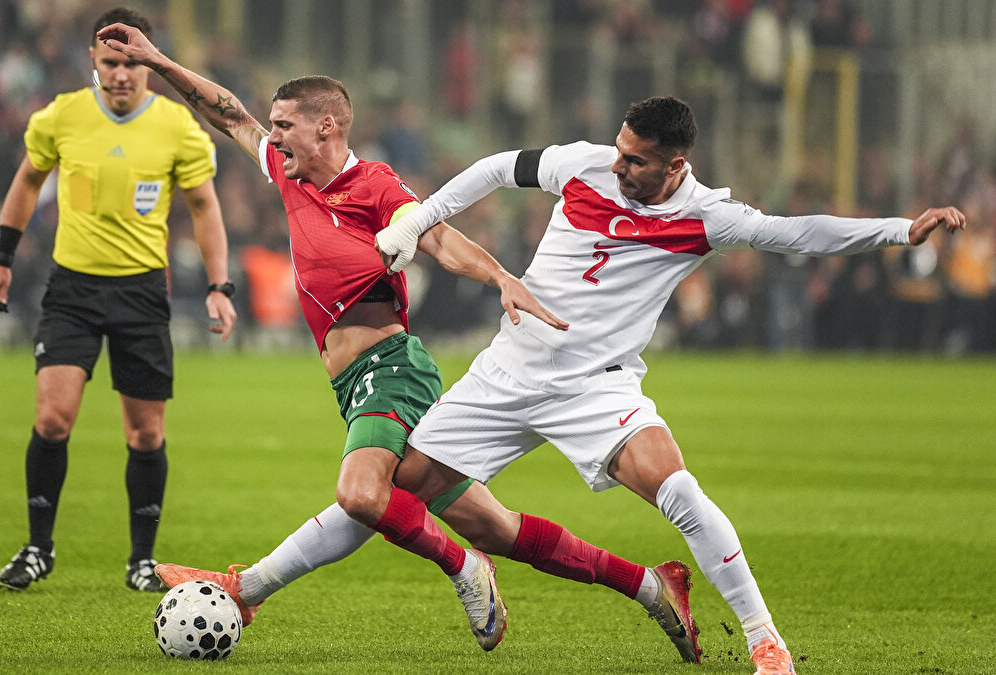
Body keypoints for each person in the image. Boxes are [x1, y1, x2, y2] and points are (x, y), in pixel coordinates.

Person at [97, 24, 705, 659]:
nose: (271, 137)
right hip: (353, 382)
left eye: (284, 126)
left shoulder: (375, 185)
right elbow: (229, 115)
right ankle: (651, 586)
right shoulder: (289, 172)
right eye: (272, 127)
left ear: (326, 127)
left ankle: (457, 569)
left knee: (361, 494)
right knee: (491, 525)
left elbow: (437, 236)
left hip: (390, 370)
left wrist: (501, 277)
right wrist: (159, 61)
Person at [373, 96, 966, 674]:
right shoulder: (584, 164)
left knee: (679, 491)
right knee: (393, 489)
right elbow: (497, 167)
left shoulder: (705, 216)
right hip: (507, 370)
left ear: (675, 165)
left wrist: (900, 230)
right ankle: (481, 570)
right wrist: (419, 218)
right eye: (619, 149)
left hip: (595, 388)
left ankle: (766, 643)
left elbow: (798, 233)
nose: (617, 166)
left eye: (635, 160)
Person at [0, 7, 238, 593]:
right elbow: (27, 181)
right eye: (109, 64)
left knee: (145, 435)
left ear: (148, 62)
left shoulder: (177, 127)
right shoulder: (62, 116)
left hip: (141, 293)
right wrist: (1, 257)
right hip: (72, 289)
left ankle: (142, 561)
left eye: (130, 64)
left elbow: (204, 207)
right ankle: (38, 548)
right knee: (52, 418)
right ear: (93, 63)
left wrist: (220, 286)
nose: (120, 75)